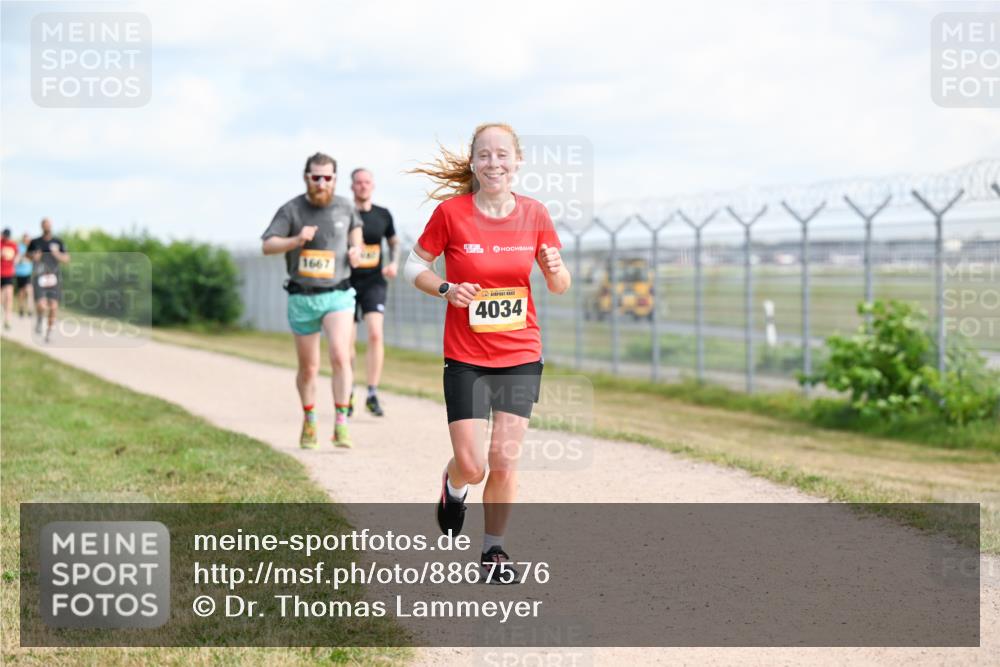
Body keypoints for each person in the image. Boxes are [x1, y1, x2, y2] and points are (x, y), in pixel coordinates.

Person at [406, 123, 570, 582]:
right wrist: (445, 288)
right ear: (473, 162)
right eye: (484, 155)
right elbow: (413, 265)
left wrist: (557, 268)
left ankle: (494, 551)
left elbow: (558, 286)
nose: (494, 163)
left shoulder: (535, 213)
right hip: (466, 356)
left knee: (504, 459)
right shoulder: (451, 214)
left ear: (517, 161)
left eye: (502, 155)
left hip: (520, 350)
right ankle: (453, 485)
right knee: (474, 466)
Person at [261, 153, 364, 449]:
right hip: (302, 296)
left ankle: (341, 423)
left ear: (335, 178)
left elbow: (356, 233)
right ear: (306, 177)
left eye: (327, 177)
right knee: (309, 368)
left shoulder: (345, 206)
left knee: (340, 356)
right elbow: (268, 244)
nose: (321, 183)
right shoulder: (292, 209)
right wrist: (295, 240)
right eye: (315, 177)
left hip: (338, 293)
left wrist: (355, 250)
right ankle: (310, 419)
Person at [348, 168, 400, 417]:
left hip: (374, 282)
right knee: (346, 342)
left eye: (367, 182)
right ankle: (346, 390)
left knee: (376, 335)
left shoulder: (383, 214)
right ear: (352, 187)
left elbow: (394, 242)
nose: (362, 186)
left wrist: (394, 262)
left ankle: (371, 392)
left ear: (373, 185)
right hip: (346, 282)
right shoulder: (344, 213)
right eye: (358, 182)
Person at [27, 218, 70, 343]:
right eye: (45, 224)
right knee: (41, 305)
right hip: (39, 276)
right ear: (41, 226)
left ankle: (49, 333)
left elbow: (67, 259)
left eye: (49, 224)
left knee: (54, 307)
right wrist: (33, 256)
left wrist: (57, 254)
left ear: (51, 226)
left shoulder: (58, 242)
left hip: (54, 277)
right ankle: (40, 318)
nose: (47, 226)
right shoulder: (35, 242)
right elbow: (27, 256)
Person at [0, 229, 18, 331]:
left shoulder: (13, 245)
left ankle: (7, 320)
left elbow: (16, 257)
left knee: (9, 296)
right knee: (1, 297)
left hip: (8, 274)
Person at [15, 232, 34, 318]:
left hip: (28, 273)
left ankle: (30, 310)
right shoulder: (19, 247)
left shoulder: (31, 248)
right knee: (21, 292)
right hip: (20, 273)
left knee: (29, 291)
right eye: (26, 239)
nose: (27, 241)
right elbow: (17, 259)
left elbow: (33, 258)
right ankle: (21, 309)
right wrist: (22, 258)